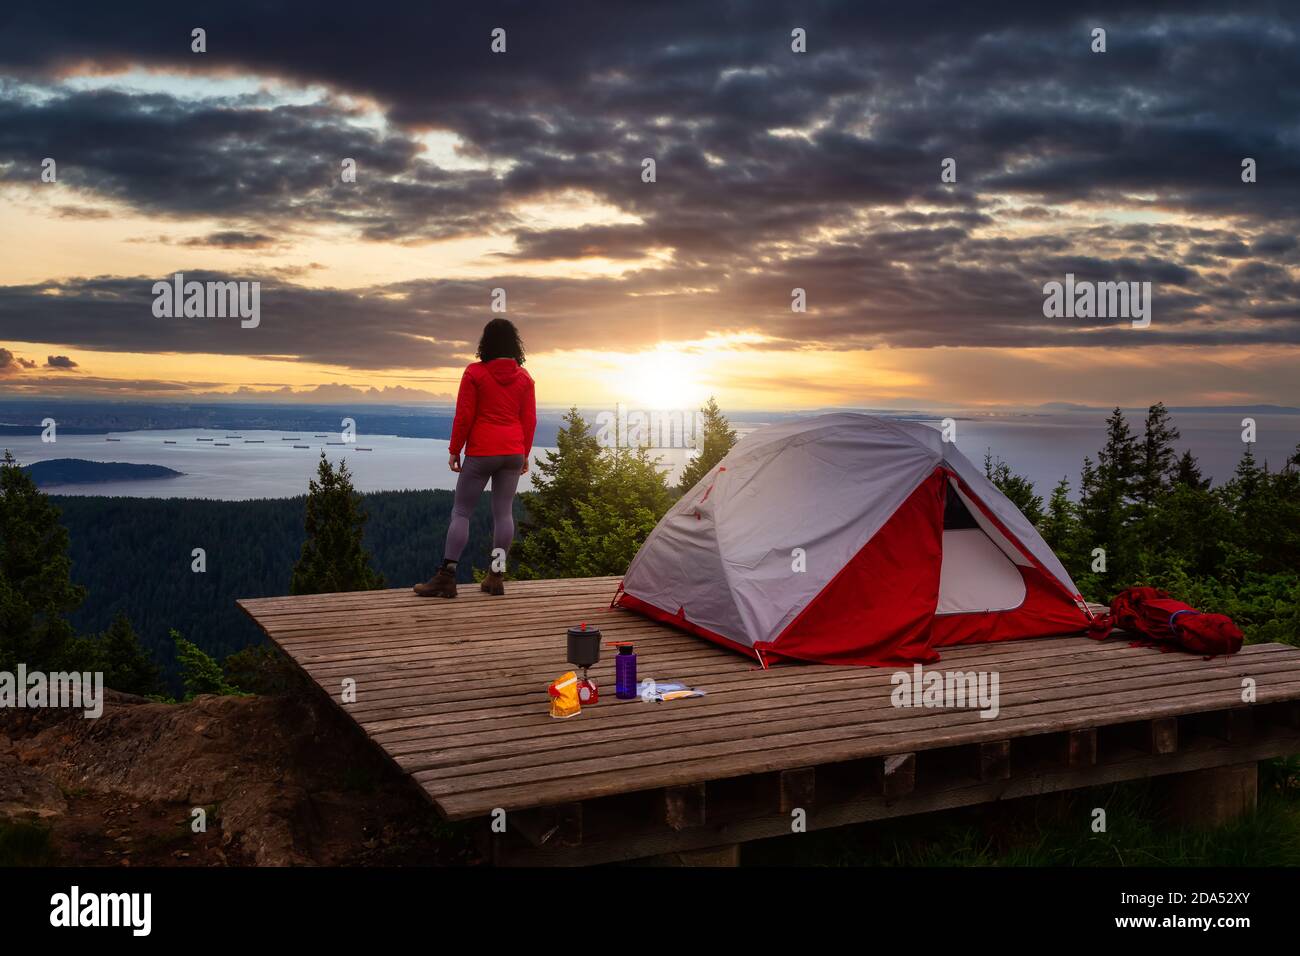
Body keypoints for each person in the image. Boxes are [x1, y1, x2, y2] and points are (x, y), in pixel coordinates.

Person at [414, 318, 536, 598]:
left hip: (482, 450)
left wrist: (454, 449)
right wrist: (524, 454)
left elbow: (464, 415)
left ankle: (446, 577)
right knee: (504, 513)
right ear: (515, 344)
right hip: (513, 451)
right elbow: (529, 420)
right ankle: (495, 577)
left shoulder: (474, 373)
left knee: (461, 512)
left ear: (486, 343)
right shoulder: (524, 378)